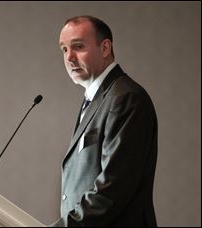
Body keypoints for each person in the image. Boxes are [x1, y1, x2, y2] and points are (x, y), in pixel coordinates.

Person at [52, 15, 158, 227]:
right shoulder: (97, 98)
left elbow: (112, 189)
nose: (69, 57)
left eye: (78, 46)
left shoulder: (126, 98)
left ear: (105, 47)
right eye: (64, 49)